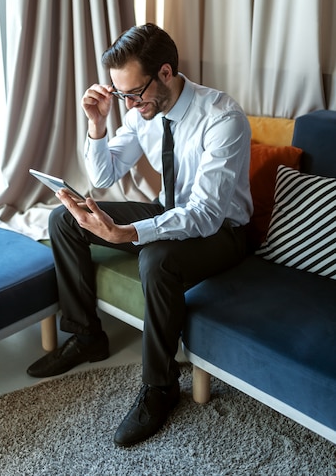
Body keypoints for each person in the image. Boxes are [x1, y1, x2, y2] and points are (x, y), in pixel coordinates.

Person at [27, 23, 253, 447]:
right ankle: (86, 334)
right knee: (65, 218)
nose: (128, 104)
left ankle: (160, 387)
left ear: (165, 73)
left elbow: (204, 214)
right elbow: (104, 174)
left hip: (224, 230)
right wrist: (96, 123)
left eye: (133, 93)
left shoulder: (223, 118)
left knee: (157, 258)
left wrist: (126, 233)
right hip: (169, 209)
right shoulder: (139, 112)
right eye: (120, 95)